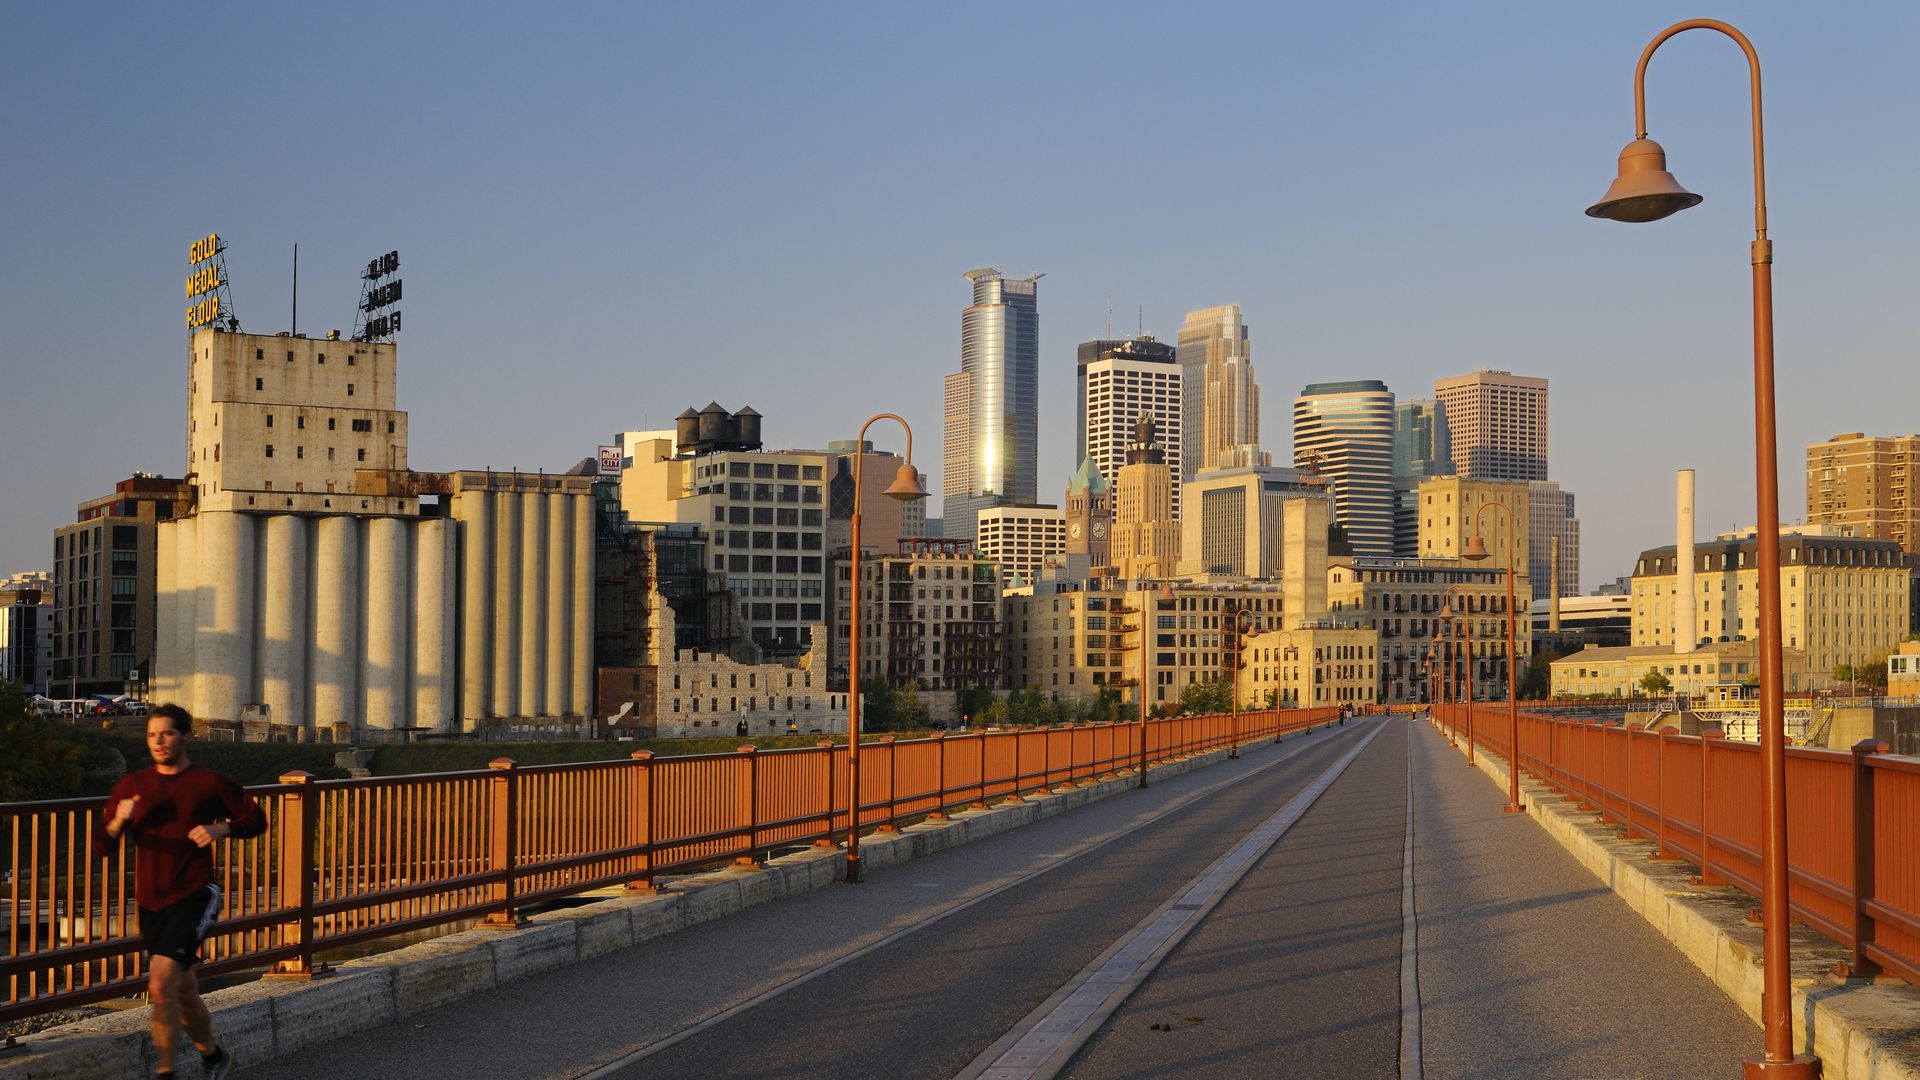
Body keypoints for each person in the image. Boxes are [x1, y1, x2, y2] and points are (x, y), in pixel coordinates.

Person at [96, 704, 264, 1080]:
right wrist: (119, 820)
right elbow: (101, 847)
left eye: (167, 733)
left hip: (194, 893)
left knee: (158, 985)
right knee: (182, 992)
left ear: (185, 736)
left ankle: (166, 1072)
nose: (158, 741)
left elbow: (256, 819)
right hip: (150, 902)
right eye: (152, 734)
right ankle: (213, 1056)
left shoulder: (208, 783)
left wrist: (223, 829)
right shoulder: (132, 787)